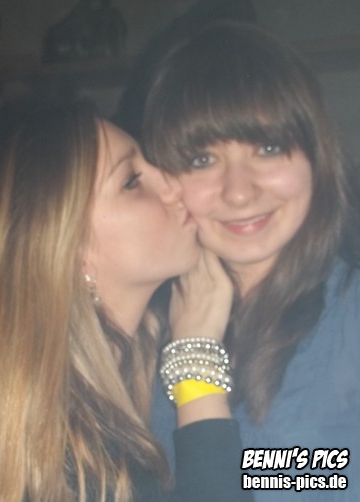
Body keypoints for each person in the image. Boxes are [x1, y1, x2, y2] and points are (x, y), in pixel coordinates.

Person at [0, 100, 250, 502]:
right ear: (71, 253)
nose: (172, 184)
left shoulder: (95, 391)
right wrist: (198, 364)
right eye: (131, 181)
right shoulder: (69, 465)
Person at [143, 21, 360, 501]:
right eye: (202, 159)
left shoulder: (349, 318)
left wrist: (196, 369)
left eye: (268, 148)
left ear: (316, 157)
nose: (239, 192)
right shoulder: (141, 325)